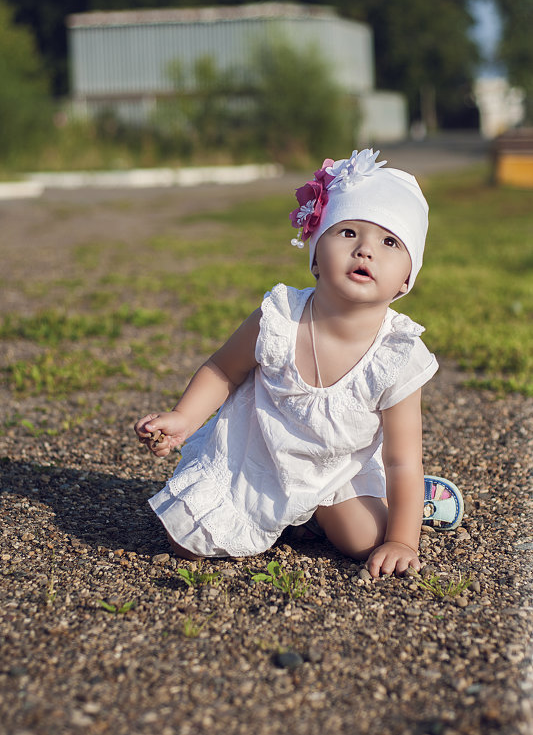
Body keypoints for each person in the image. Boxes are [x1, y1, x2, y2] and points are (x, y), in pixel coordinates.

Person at [134, 148, 463, 577]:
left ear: (406, 278)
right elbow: (222, 369)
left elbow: (403, 459)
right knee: (187, 542)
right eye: (347, 232)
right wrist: (184, 417)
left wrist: (403, 539)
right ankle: (290, 515)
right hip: (260, 455)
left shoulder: (396, 356)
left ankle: (410, 504)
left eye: (389, 242)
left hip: (336, 465)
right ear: (313, 254)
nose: (365, 250)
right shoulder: (280, 318)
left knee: (364, 540)